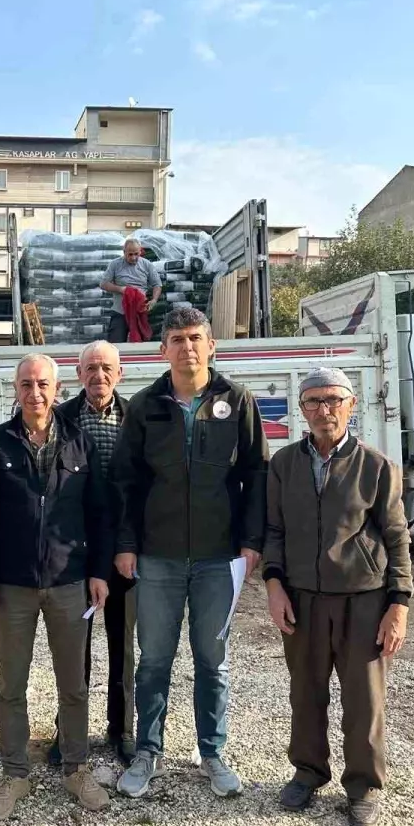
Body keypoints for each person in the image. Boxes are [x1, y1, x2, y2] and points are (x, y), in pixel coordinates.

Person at [112, 307, 268, 800]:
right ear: (163, 349)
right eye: (177, 339)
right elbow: (125, 482)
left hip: (218, 559)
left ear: (211, 345)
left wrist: (251, 542)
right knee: (153, 660)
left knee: (212, 661)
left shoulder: (237, 401)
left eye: (195, 338)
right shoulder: (145, 406)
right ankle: (147, 752)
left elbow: (256, 474)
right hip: (156, 558)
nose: (187, 348)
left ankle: (212, 753)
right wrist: (126, 544)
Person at [261, 367, 411, 826]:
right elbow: (274, 531)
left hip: (363, 601)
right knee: (306, 694)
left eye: (333, 400)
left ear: (351, 405)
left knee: (364, 701)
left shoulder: (377, 467)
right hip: (302, 599)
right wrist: (274, 586)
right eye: (313, 401)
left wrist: (399, 605)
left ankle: (363, 786)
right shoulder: (284, 465)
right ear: (301, 409)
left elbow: (397, 537)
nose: (323, 409)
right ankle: (308, 772)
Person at [0, 353, 113, 820]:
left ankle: (76, 769)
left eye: (43, 385)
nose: (35, 393)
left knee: (73, 685)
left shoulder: (79, 443)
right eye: (26, 384)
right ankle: (15, 773)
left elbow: (99, 513)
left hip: (69, 582)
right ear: (16, 389)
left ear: (57, 389)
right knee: (11, 685)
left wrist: (98, 572)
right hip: (13, 585)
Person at [47, 340, 136, 767]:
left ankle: (122, 730)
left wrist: (130, 543)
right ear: (78, 374)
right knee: (72, 645)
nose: (99, 375)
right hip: (74, 549)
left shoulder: (136, 418)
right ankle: (69, 730)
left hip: (123, 548)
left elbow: (144, 486)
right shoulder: (60, 418)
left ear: (119, 374)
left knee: (123, 644)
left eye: (106, 368)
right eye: (91, 368)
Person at [101, 238, 162, 343]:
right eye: (130, 254)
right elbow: (103, 284)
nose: (133, 258)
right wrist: (121, 289)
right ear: (124, 252)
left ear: (140, 252)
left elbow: (157, 284)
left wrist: (154, 300)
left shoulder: (147, 264)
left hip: (140, 311)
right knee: (116, 344)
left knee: (141, 344)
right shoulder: (115, 264)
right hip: (120, 312)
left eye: (136, 254)